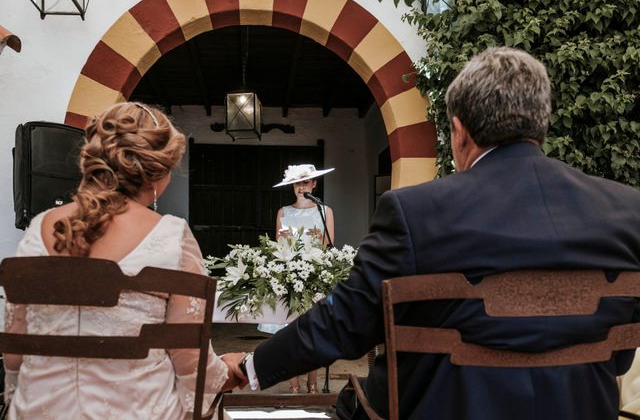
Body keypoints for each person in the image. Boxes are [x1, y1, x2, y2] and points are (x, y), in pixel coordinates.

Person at [230, 47, 640, 419]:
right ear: (541, 122)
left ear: (460, 132)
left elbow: (344, 322)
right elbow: (622, 354)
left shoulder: (414, 212)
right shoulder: (626, 211)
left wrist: (253, 366)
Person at [2, 102, 246, 419]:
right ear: (157, 173)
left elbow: (14, 357)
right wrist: (227, 372)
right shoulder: (171, 238)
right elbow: (190, 364)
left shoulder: (39, 228)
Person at [257, 164, 335, 393]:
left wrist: (316, 243)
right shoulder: (283, 212)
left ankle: (313, 383)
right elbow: (279, 247)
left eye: (305, 182)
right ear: (292, 186)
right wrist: (285, 241)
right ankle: (294, 384)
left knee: (314, 330)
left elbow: (329, 244)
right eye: (297, 183)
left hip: (314, 275)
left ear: (314, 184)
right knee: (290, 331)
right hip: (291, 275)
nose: (301, 187)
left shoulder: (324, 210)